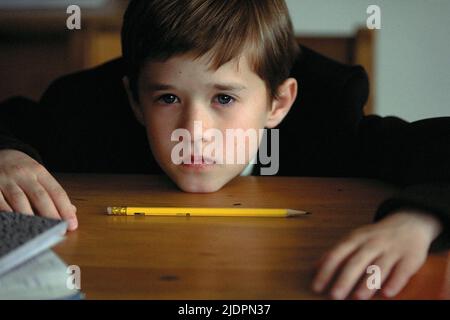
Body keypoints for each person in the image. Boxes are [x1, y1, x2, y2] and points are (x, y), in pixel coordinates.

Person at [0, 0, 448, 300]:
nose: (195, 131)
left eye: (225, 99)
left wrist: (419, 216)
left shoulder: (329, 114)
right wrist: (7, 153)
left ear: (279, 102)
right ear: (136, 100)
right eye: (168, 98)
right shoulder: (86, 109)